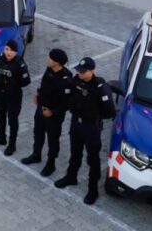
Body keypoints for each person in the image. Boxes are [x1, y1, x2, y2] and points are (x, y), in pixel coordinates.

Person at [54, 57, 117, 205]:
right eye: (79, 71)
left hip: (91, 127)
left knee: (93, 159)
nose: (80, 73)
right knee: (75, 153)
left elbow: (110, 111)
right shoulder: (76, 80)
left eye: (83, 71)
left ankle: (92, 190)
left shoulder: (100, 87)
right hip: (76, 124)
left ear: (92, 71)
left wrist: (95, 116)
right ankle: (71, 177)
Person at [21, 48, 73, 177]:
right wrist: (38, 97)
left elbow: (66, 103)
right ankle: (36, 155)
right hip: (41, 109)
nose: (47, 59)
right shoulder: (49, 70)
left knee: (52, 140)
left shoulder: (66, 79)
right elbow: (44, 86)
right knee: (38, 133)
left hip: (54, 116)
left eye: (50, 58)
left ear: (57, 62)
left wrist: (53, 112)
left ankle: (51, 164)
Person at [0, 40, 31, 156]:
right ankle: (1, 137)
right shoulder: (0, 60)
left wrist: (14, 83)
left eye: (12, 50)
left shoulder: (19, 63)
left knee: (12, 120)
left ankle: (12, 144)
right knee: (0, 115)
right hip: (1, 94)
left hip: (14, 96)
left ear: (16, 52)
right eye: (7, 49)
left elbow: (27, 80)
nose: (8, 52)